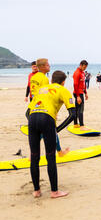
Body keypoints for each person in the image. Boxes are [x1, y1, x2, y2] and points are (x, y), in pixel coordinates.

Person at [28, 66, 76, 198]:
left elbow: (27, 112)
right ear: (63, 82)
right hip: (47, 119)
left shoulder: (41, 89)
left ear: (52, 79)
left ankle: (36, 191)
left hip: (32, 118)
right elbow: (73, 114)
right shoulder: (63, 90)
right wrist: (57, 129)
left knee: (34, 157)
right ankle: (54, 191)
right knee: (50, 157)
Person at [73, 60, 89, 131]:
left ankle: (75, 124)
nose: (85, 69)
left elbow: (83, 84)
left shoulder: (82, 72)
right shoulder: (77, 73)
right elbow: (75, 85)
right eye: (84, 67)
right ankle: (82, 126)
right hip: (78, 93)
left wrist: (86, 93)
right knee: (80, 109)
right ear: (81, 65)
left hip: (81, 92)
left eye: (86, 67)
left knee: (77, 109)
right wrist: (78, 96)